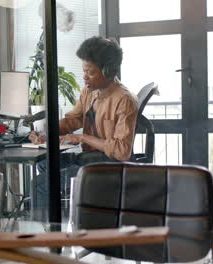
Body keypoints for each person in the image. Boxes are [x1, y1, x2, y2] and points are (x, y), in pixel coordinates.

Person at [30, 36, 138, 210]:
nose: (84, 77)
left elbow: (122, 152)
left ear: (108, 71)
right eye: (84, 71)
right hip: (91, 159)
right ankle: (64, 216)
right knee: (45, 163)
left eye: (90, 72)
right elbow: (74, 119)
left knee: (40, 184)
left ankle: (45, 233)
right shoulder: (90, 92)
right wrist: (46, 133)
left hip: (111, 166)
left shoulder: (125, 100)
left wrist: (82, 137)